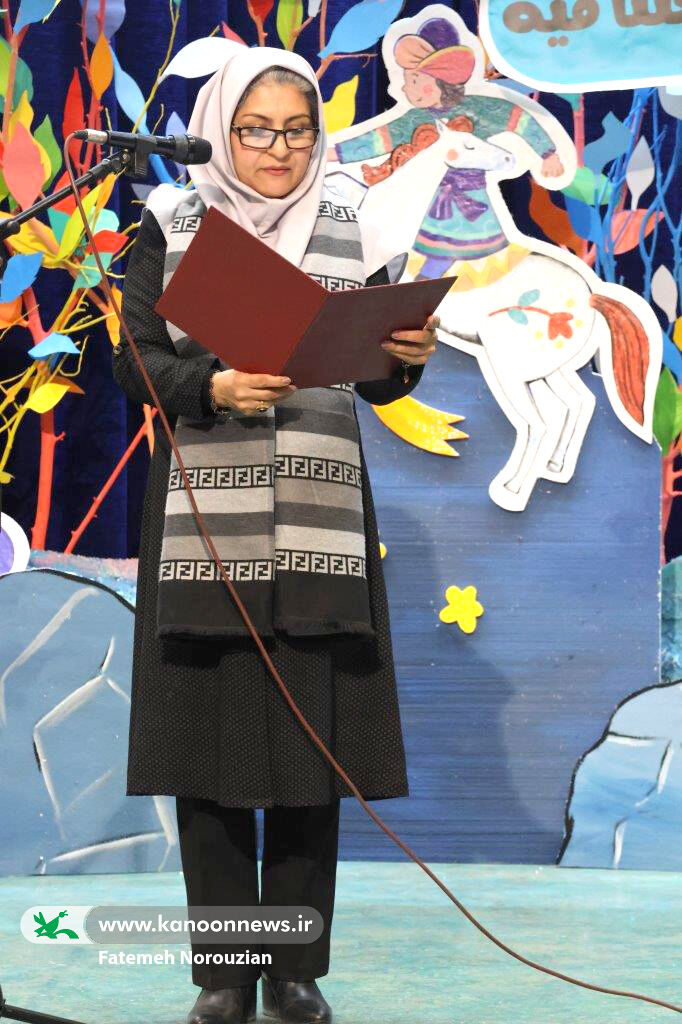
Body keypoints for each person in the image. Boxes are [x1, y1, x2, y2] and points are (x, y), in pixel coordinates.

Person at [112, 45, 438, 1024]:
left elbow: (381, 376)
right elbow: (135, 359)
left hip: (319, 521)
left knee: (308, 759)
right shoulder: (172, 224)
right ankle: (226, 974)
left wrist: (406, 357)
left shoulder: (355, 220)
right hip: (203, 525)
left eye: (296, 130)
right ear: (219, 129)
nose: (278, 149)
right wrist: (209, 386)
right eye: (256, 130)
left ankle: (293, 971)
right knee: (206, 759)